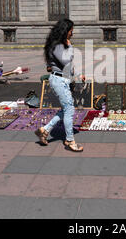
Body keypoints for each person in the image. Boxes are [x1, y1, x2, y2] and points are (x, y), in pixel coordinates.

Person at [35, 18, 86, 152]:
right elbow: (65, 61)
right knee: (69, 109)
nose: (72, 34)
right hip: (59, 81)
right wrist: (69, 46)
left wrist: (77, 76)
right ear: (65, 31)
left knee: (65, 109)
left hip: (62, 79)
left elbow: (67, 66)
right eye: (70, 31)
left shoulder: (58, 44)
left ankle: (44, 130)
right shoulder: (57, 45)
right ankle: (70, 140)